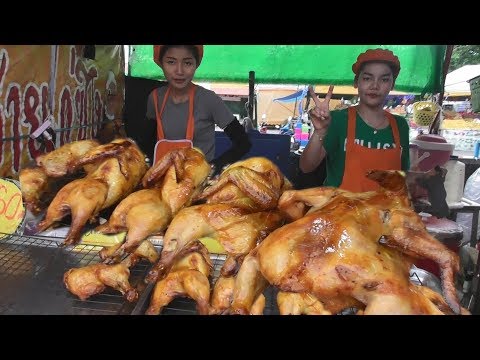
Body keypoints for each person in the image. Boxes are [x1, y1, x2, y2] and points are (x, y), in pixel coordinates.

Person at [299, 48, 410, 192]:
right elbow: (306, 167)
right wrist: (319, 132)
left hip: (384, 213)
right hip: (340, 211)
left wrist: (425, 178)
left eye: (384, 79)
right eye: (367, 78)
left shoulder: (400, 125)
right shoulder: (338, 120)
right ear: (356, 82)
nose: (375, 86)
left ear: (392, 84)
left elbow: (403, 177)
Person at [137, 45, 251, 173]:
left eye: (187, 63)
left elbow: (243, 143)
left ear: (196, 64)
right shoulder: (155, 98)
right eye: (171, 62)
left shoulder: (209, 100)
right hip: (162, 182)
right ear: (161, 64)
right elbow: (147, 142)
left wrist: (214, 167)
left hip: (198, 184)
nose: (179, 71)